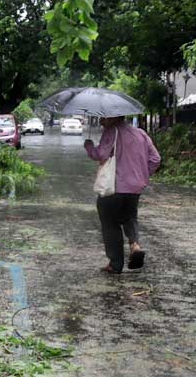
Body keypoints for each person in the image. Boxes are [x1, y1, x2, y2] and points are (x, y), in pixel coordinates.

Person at [84, 116, 161, 274]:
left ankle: (115, 264)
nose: (101, 120)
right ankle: (135, 245)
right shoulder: (141, 133)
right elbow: (155, 159)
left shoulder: (111, 131)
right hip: (134, 188)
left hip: (113, 186)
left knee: (109, 221)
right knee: (130, 216)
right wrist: (142, 175)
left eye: (104, 117)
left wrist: (89, 147)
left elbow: (101, 154)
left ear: (114, 118)